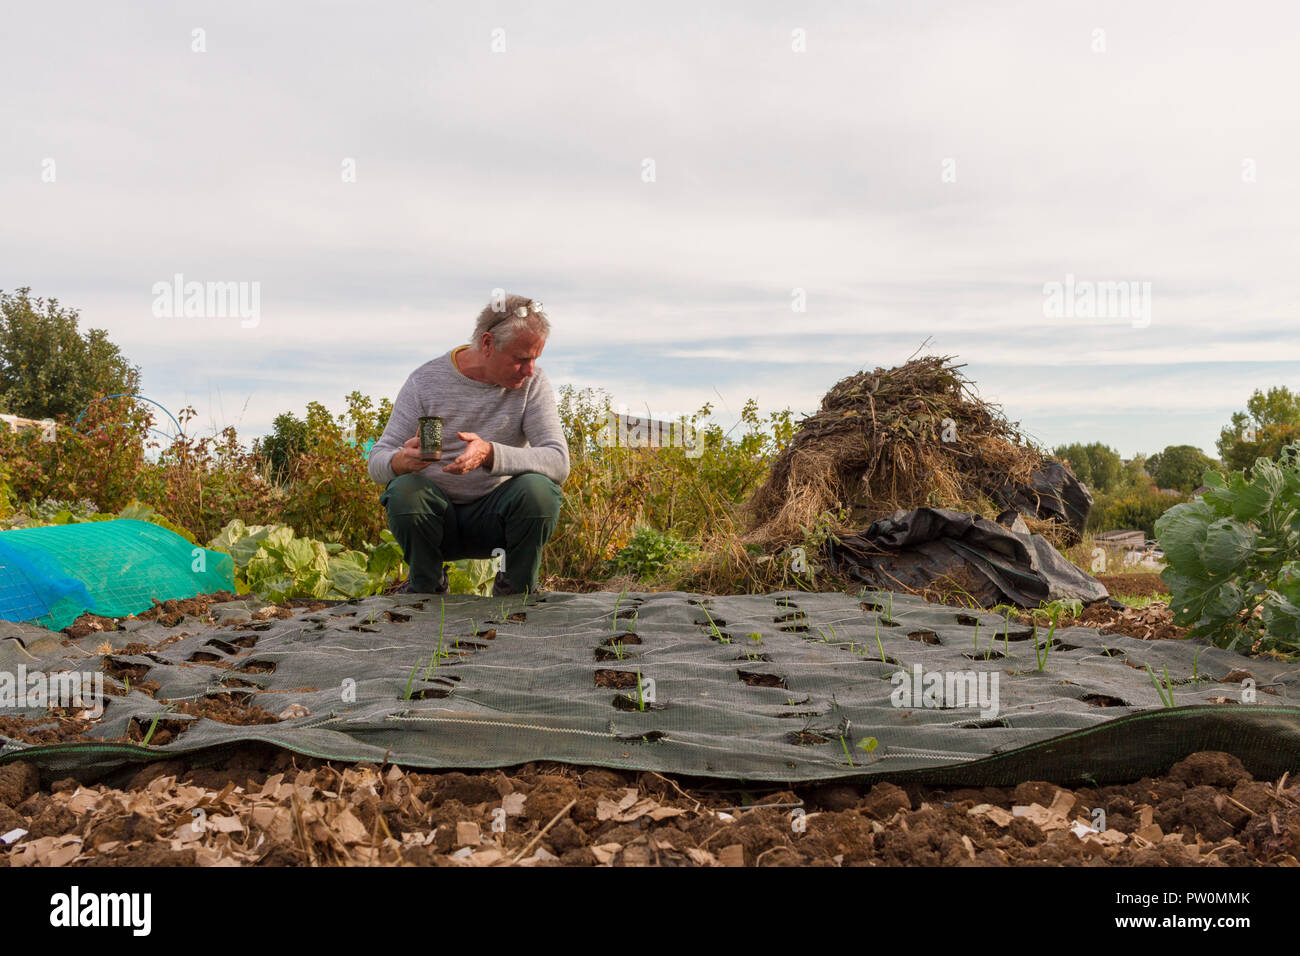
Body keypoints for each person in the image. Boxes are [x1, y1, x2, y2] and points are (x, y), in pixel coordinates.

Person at [368, 294, 568, 596]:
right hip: (436, 521)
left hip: (497, 520)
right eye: (521, 359)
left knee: (539, 492)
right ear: (487, 343)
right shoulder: (425, 382)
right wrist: (399, 461)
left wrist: (490, 454)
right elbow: (377, 460)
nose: (530, 370)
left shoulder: (532, 384)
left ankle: (515, 590)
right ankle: (426, 587)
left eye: (535, 359)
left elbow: (558, 461)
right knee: (404, 491)